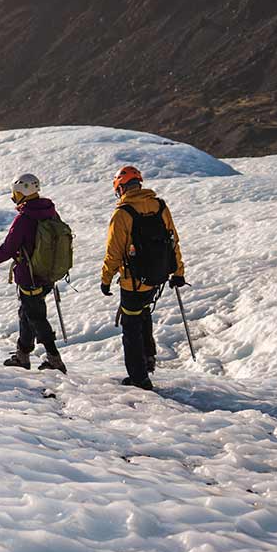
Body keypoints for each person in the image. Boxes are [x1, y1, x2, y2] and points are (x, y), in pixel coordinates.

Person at [99, 165, 186, 390]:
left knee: (131, 325)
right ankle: (148, 359)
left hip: (133, 281)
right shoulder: (160, 206)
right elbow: (173, 240)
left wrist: (106, 279)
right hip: (157, 276)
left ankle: (139, 377)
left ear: (120, 188)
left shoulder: (122, 213)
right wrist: (178, 272)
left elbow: (114, 252)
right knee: (144, 314)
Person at [0, 174, 66, 372]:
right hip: (47, 274)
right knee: (27, 312)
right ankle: (23, 355)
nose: (13, 197)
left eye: (15, 193)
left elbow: (9, 248)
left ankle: (54, 359)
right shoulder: (50, 212)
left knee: (35, 316)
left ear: (22, 193)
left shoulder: (24, 218)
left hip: (30, 276)